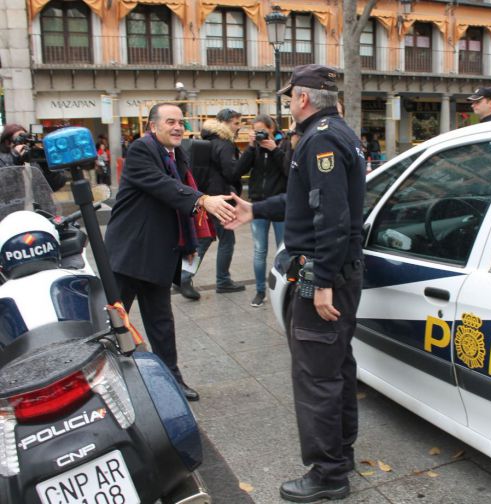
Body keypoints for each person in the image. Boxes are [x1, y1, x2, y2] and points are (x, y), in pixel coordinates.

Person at [226, 64, 366, 502]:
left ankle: (328, 475)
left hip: (321, 275)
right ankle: (340, 456)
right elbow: (308, 200)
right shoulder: (340, 133)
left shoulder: (320, 138)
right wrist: (257, 209)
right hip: (338, 271)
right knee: (337, 367)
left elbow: (331, 216)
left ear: (303, 99)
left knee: (315, 377)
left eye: (289, 99)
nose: (288, 105)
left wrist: (321, 281)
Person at [104, 102, 237, 402]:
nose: (178, 127)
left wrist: (188, 244)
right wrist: (203, 200)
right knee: (113, 323)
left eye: (180, 122)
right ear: (153, 126)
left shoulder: (178, 154)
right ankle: (104, 383)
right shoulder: (141, 149)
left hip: (160, 252)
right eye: (170, 122)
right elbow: (161, 186)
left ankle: (172, 381)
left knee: (162, 323)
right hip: (128, 253)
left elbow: (176, 199)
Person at [179, 108, 246, 299]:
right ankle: (222, 281)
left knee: (204, 238)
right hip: (219, 198)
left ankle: (184, 276)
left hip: (204, 196)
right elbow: (231, 172)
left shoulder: (207, 139)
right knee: (226, 240)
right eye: (235, 123)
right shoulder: (224, 144)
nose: (238, 127)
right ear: (224, 123)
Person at [232, 114, 287, 307]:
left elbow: (291, 171)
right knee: (259, 250)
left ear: (272, 129)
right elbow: (236, 171)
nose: (259, 134)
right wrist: (250, 148)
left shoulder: (285, 144)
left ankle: (285, 289)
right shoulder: (254, 148)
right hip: (258, 205)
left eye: (262, 130)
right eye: (256, 131)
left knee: (284, 250)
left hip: (280, 205)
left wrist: (276, 151)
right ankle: (260, 291)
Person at [0, 124, 66, 191]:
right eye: (20, 139)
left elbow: (57, 185)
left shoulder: (34, 158)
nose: (24, 144)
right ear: (7, 143)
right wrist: (14, 161)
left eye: (26, 140)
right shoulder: (2, 160)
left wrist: (47, 169)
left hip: (40, 201)